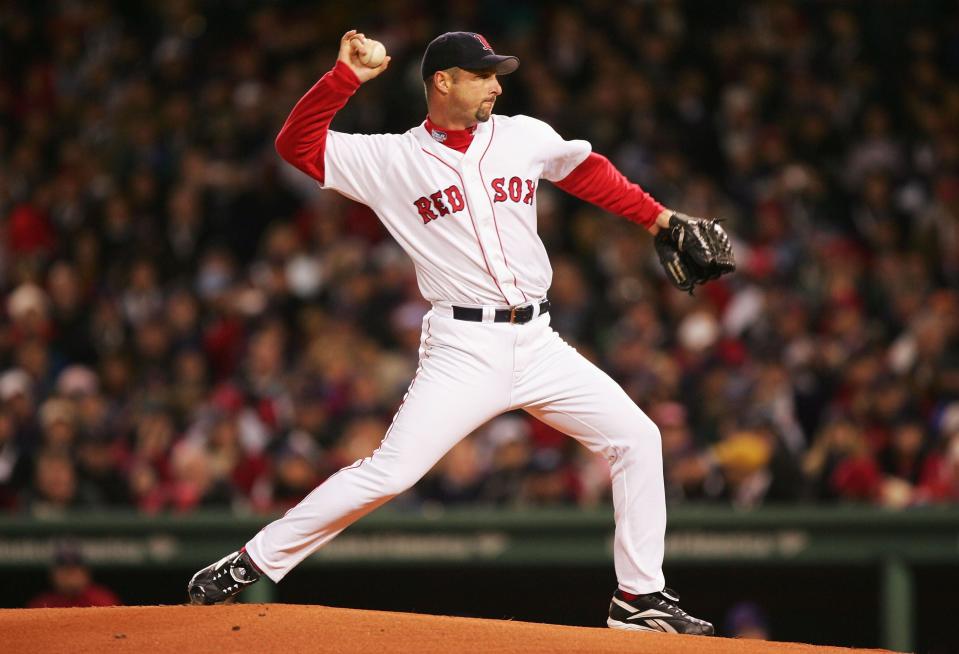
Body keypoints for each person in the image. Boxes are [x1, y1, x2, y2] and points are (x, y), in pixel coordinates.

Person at [188, 30, 732, 636]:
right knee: (391, 473)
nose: (496, 85)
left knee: (638, 437)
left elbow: (585, 171)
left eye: (496, 74)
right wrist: (343, 78)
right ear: (442, 81)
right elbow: (295, 145)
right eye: (482, 75)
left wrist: (658, 217)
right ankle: (251, 561)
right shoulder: (390, 159)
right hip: (463, 348)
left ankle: (639, 598)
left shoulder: (522, 134)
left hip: (539, 339)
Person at [27, 541, 119, 608]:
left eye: (75, 567)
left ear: (86, 573)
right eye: (63, 567)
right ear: (52, 574)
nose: (70, 573)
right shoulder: (42, 604)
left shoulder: (103, 601)